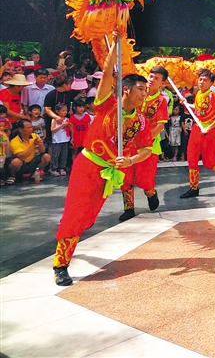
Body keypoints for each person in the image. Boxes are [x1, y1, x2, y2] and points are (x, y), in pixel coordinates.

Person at [53, 36, 153, 286]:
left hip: (110, 171)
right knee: (76, 214)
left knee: (88, 218)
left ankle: (72, 240)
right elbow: (107, 75)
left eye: (146, 89)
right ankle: (60, 264)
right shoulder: (108, 104)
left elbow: (147, 150)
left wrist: (130, 160)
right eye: (141, 89)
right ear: (126, 89)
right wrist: (115, 48)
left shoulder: (141, 121)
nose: (145, 93)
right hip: (88, 166)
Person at [120, 66, 169, 220]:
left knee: (144, 179)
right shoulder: (136, 93)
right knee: (125, 176)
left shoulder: (161, 101)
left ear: (162, 83)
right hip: (128, 143)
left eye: (156, 78)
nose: (151, 80)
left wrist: (145, 139)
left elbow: (160, 125)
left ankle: (151, 192)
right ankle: (129, 208)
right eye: (150, 76)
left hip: (148, 145)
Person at [180, 69, 215, 199]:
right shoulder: (199, 94)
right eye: (200, 79)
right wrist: (187, 104)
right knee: (191, 157)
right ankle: (193, 187)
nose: (201, 82)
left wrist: (210, 127)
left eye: (205, 80)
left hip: (209, 131)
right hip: (197, 128)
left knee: (208, 161)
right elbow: (199, 108)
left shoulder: (213, 96)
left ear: (211, 83)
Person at [8, 118, 51, 184]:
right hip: (22, 163)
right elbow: (21, 156)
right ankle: (12, 176)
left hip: (32, 161)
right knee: (16, 162)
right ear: (20, 130)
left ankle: (34, 173)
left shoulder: (35, 136)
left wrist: (40, 145)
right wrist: (33, 145)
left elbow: (42, 151)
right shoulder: (14, 141)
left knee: (47, 156)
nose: (31, 129)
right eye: (28, 128)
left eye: (31, 127)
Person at [49, 103, 72, 176]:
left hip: (65, 139)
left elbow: (71, 129)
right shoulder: (54, 120)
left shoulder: (67, 119)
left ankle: (62, 168)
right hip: (57, 141)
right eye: (63, 110)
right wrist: (62, 125)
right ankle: (54, 168)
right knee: (56, 155)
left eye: (66, 110)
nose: (65, 112)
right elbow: (52, 130)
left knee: (64, 155)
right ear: (57, 111)